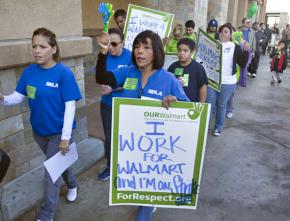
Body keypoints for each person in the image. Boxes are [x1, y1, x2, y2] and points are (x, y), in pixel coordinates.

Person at [95, 30, 189, 221]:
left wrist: (175, 101)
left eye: (146, 47)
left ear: (156, 52)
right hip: (132, 145)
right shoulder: (128, 72)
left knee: (144, 203)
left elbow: (189, 112)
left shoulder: (168, 79)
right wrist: (102, 53)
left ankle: (146, 206)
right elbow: (102, 78)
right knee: (138, 187)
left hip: (156, 149)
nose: (140, 51)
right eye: (137, 46)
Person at [0, 27, 81, 221]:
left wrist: (65, 138)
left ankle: (47, 214)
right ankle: (73, 184)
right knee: (58, 165)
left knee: (50, 175)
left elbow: (70, 108)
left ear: (53, 49)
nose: (37, 50)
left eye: (42, 46)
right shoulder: (29, 72)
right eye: (34, 46)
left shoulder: (64, 74)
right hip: (39, 132)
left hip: (58, 134)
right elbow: (18, 97)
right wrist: (3, 98)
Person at [97, 28, 132, 181]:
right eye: (108, 43)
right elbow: (100, 77)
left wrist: (113, 88)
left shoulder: (131, 57)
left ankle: (128, 165)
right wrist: (104, 87)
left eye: (115, 44)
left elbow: (134, 83)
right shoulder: (105, 56)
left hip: (126, 105)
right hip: (107, 105)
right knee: (109, 138)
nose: (111, 47)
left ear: (122, 43)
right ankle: (110, 167)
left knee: (127, 137)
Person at [206, 24, 249, 136]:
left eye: (225, 32)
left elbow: (242, 63)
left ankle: (218, 128)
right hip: (212, 81)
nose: (222, 33)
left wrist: (245, 51)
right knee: (209, 105)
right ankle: (204, 127)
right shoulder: (212, 44)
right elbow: (203, 60)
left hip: (228, 82)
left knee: (221, 105)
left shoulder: (234, 46)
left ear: (230, 35)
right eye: (221, 31)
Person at [167, 38, 208, 102]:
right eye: (179, 50)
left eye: (185, 50)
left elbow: (203, 87)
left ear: (191, 52)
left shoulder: (198, 68)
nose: (181, 53)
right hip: (175, 105)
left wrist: (201, 105)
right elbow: (167, 85)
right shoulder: (173, 67)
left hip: (192, 105)